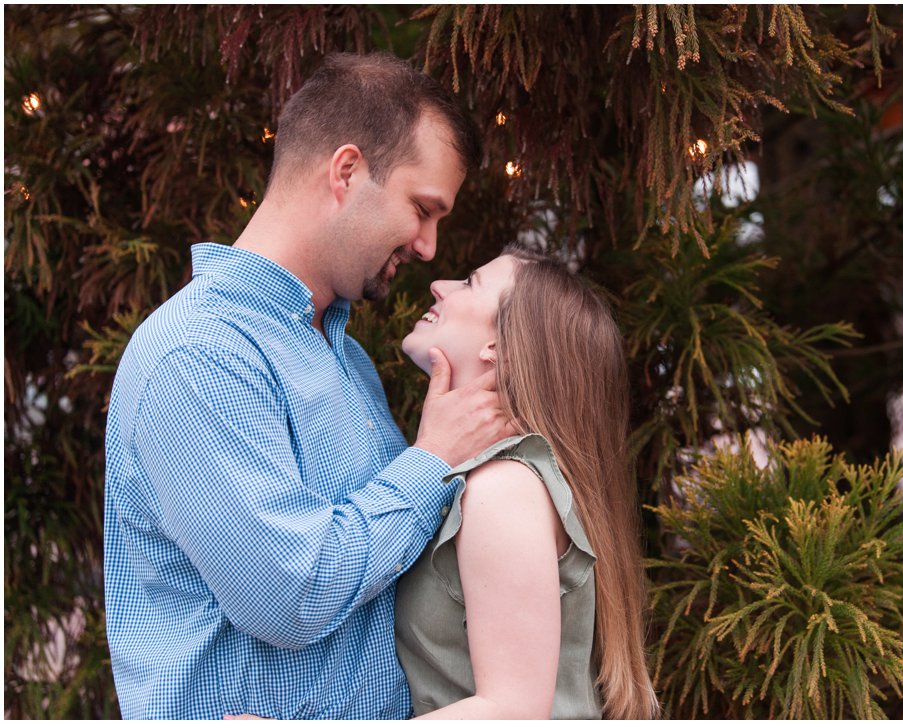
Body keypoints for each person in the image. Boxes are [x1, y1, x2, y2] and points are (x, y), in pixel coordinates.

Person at [103, 52, 513, 719]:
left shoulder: (343, 358)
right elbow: (289, 598)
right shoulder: (200, 356)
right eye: (422, 209)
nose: (431, 248)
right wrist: (429, 464)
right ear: (346, 171)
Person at [394, 244, 661, 719]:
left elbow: (511, 710)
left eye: (471, 282)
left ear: (496, 347)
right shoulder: (498, 479)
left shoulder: (503, 488)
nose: (439, 284)